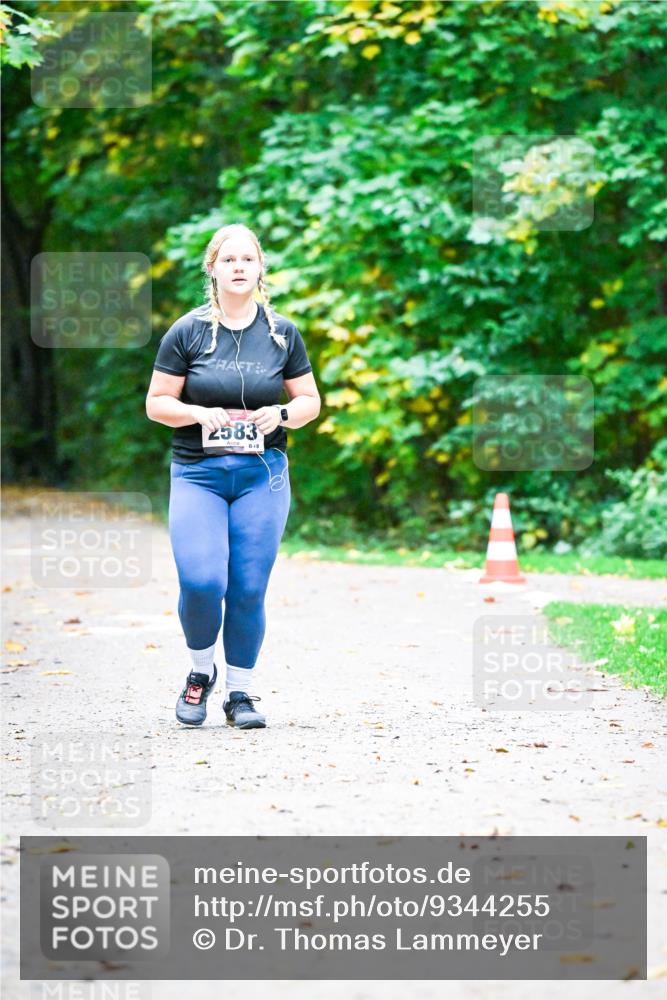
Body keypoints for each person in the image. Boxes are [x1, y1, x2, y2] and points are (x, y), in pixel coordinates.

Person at [145, 223, 320, 730]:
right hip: (198, 474)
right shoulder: (187, 331)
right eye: (229, 260)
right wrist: (196, 413)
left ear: (260, 267)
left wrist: (281, 414)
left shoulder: (282, 333)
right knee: (202, 581)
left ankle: (240, 693)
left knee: (246, 587)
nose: (239, 267)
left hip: (262, 475)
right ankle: (201, 673)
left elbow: (309, 401)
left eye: (248, 259)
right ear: (213, 269)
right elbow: (157, 403)